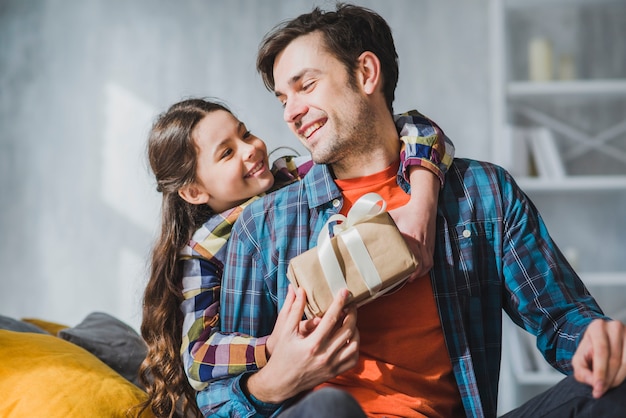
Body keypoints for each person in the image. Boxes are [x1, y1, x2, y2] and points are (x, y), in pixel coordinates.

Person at [202, 3, 626, 418]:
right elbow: (217, 400)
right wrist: (275, 382)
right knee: (330, 407)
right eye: (282, 99)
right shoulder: (263, 227)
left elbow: (561, 318)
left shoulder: (483, 194)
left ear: (366, 73)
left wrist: (595, 340)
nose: (290, 113)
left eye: (306, 86)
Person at [137, 97, 455, 417]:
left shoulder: (294, 177)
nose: (250, 149)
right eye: (227, 153)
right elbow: (199, 358)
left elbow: (415, 126)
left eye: (245, 134)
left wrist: (422, 203)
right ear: (194, 192)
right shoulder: (202, 253)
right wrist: (270, 348)